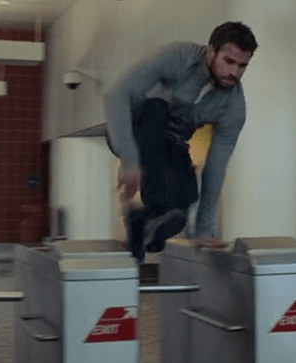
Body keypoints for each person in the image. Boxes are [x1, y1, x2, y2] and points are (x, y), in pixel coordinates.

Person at [103, 21, 258, 262]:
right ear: (212, 51)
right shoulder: (178, 56)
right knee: (156, 108)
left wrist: (205, 229)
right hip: (131, 127)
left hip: (171, 143)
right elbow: (117, 94)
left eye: (242, 66)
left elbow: (215, 168)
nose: (235, 73)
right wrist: (129, 159)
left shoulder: (233, 107)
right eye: (229, 62)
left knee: (183, 202)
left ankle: (141, 225)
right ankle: (153, 212)